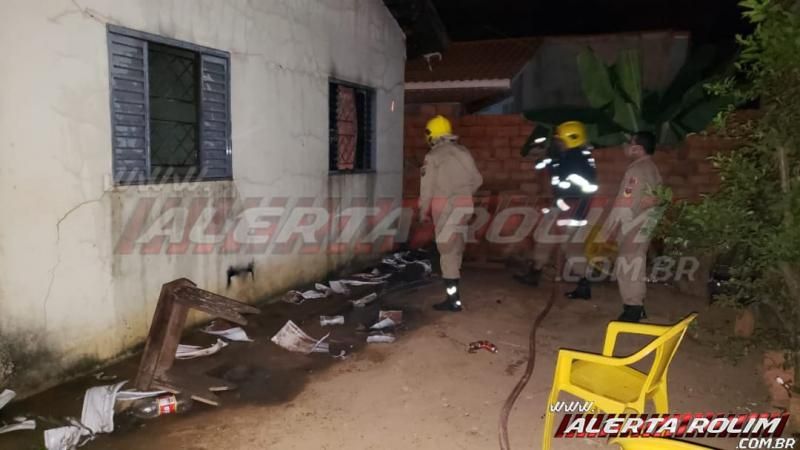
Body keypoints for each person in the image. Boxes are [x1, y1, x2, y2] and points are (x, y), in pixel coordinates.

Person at [514, 121, 598, 299]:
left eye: (561, 140)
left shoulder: (575, 159)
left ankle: (584, 284)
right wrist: (545, 159)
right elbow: (551, 170)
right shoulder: (571, 156)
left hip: (570, 212)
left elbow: (572, 184)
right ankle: (534, 273)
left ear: (571, 140)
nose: (558, 143)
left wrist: (564, 205)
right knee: (544, 238)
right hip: (562, 207)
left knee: (572, 248)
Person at [419, 115, 483, 312]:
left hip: (445, 209)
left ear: (432, 134)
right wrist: (464, 195)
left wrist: (423, 212)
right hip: (464, 207)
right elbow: (478, 180)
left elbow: (427, 189)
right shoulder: (463, 152)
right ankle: (454, 293)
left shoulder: (433, 156)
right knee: (456, 248)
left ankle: (453, 301)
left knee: (446, 253)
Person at [614, 131, 663, 322]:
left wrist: (616, 224)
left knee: (628, 264)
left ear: (639, 148)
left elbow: (626, 201)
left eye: (630, 143)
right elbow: (660, 197)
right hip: (646, 221)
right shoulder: (652, 168)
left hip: (633, 223)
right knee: (635, 261)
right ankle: (637, 306)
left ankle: (633, 307)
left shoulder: (635, 171)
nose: (626, 146)